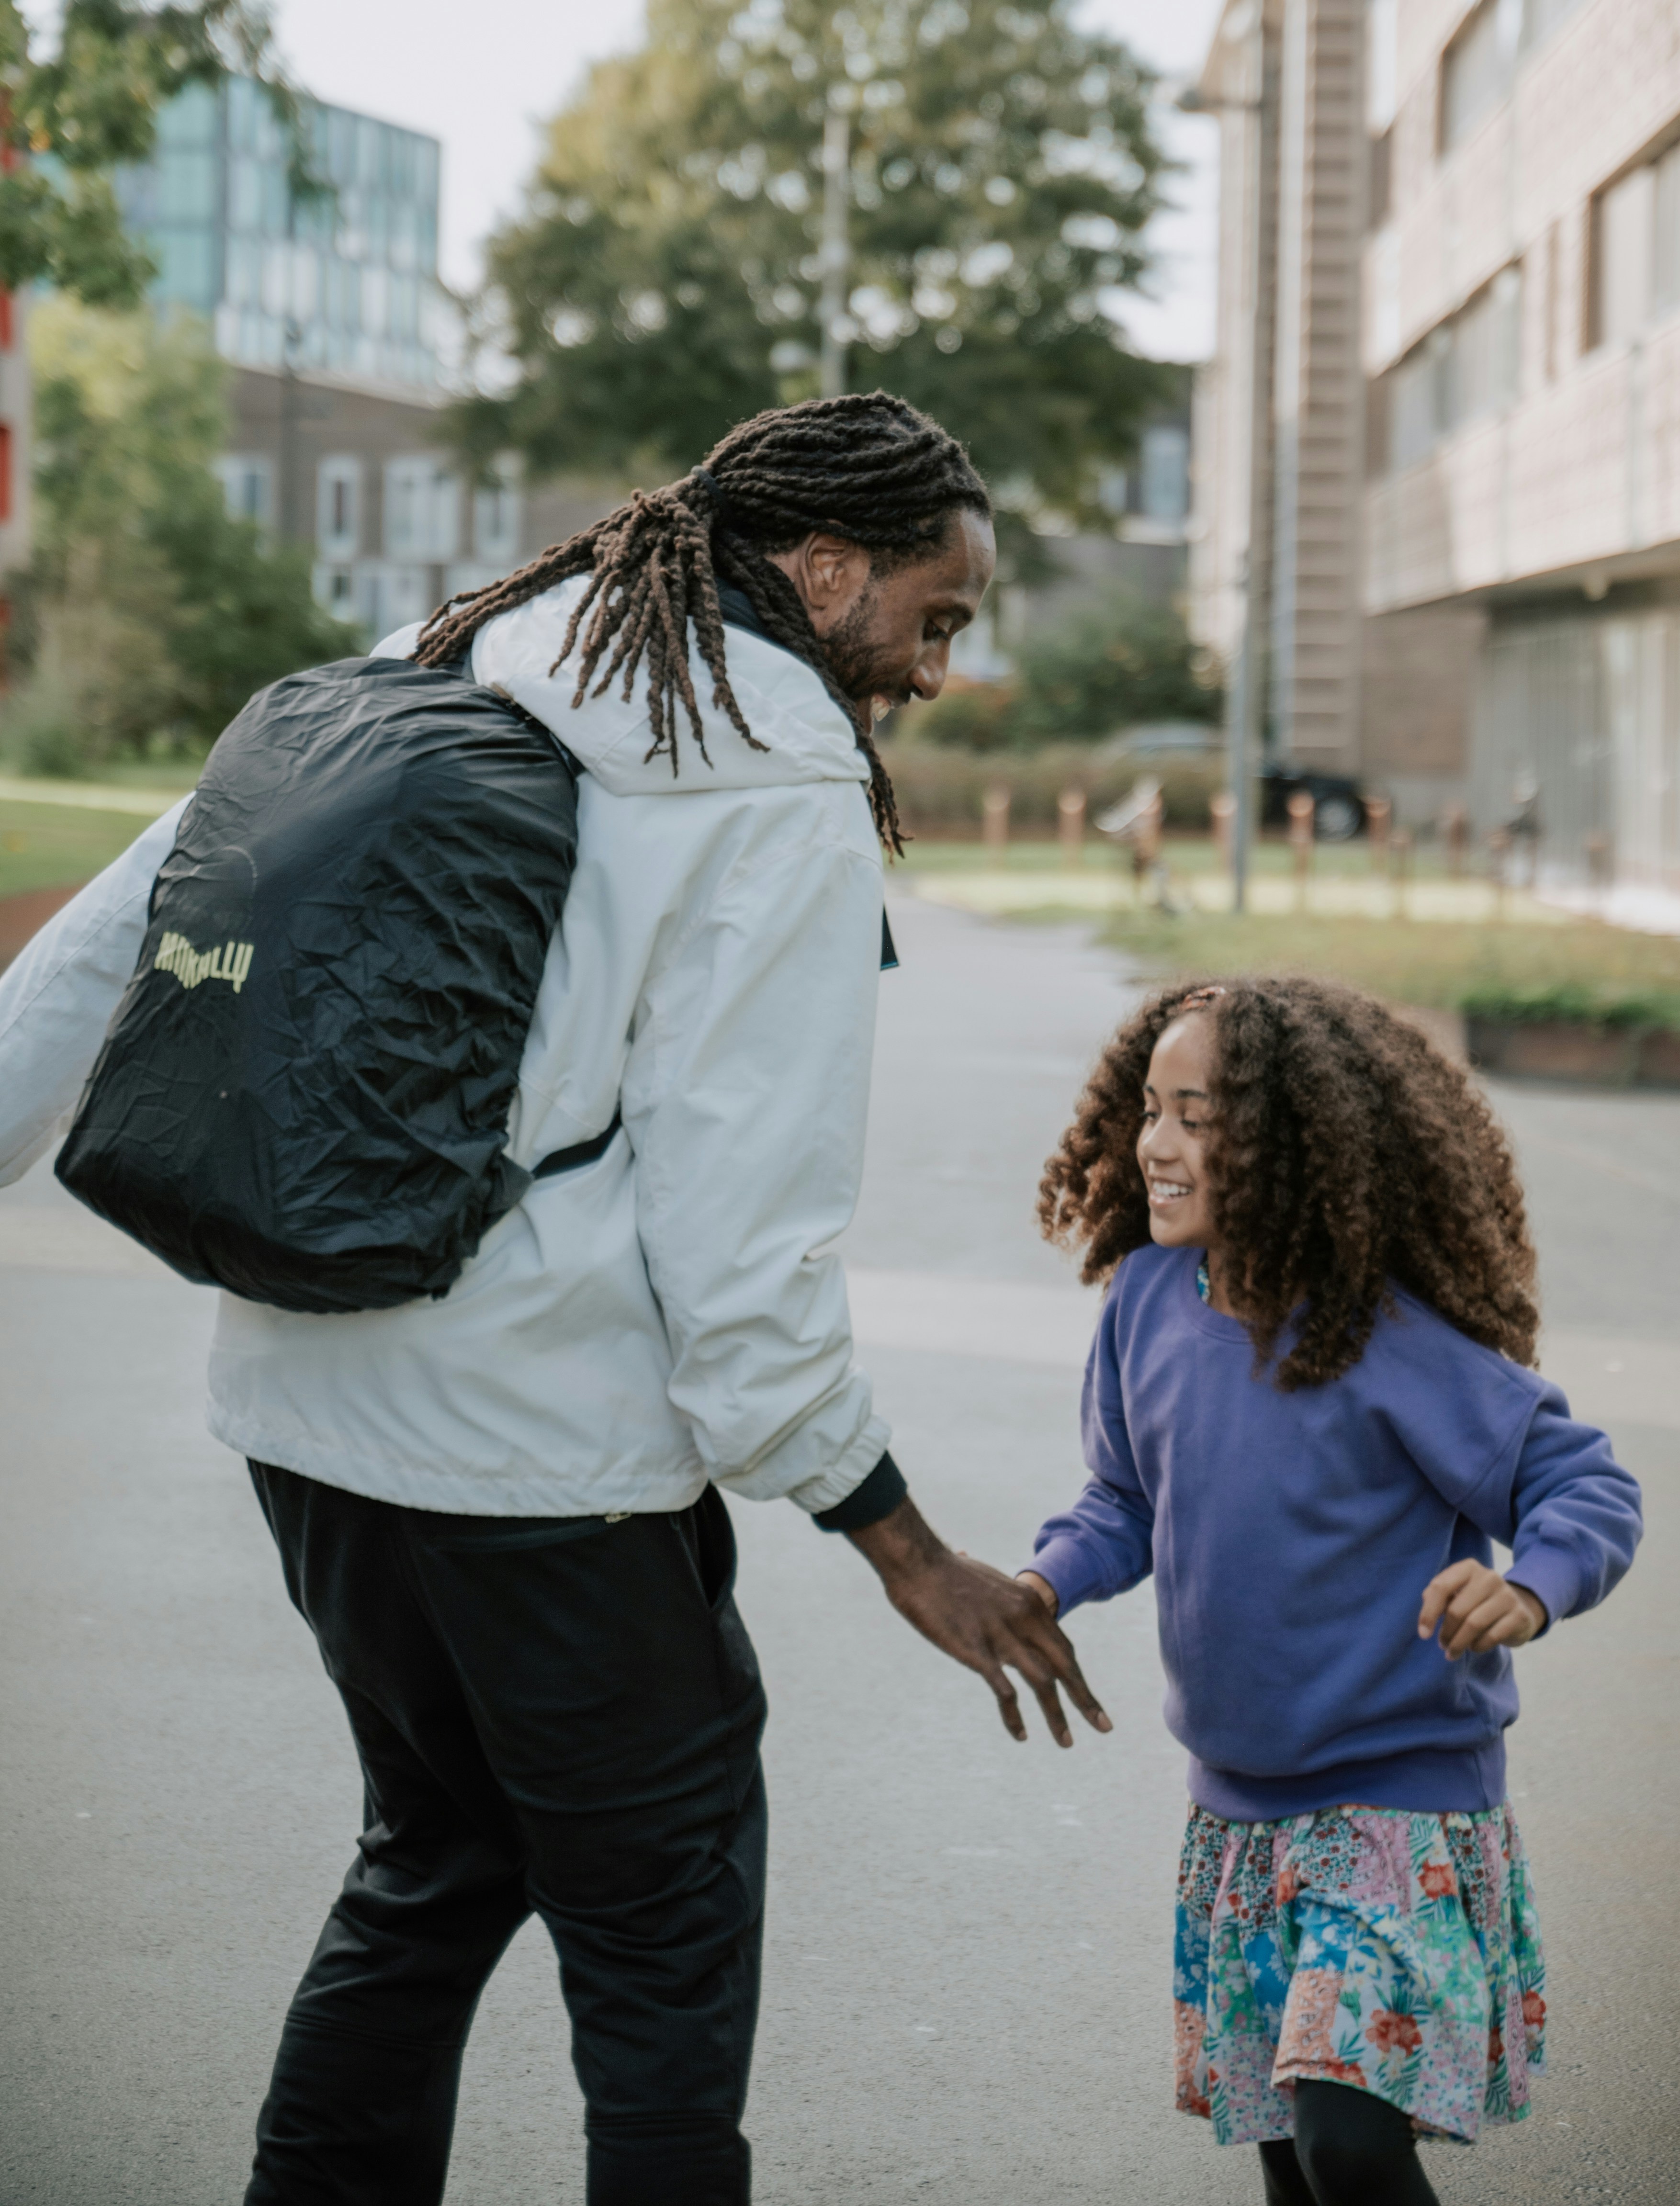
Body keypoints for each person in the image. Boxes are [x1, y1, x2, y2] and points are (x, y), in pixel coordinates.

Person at [0, 390, 1107, 2206]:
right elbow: (744, 1273)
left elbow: (117, 932)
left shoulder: (445, 647)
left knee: (431, 1858)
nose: (929, 668)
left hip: (303, 1405)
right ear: (823, 570)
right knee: (664, 1941)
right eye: (934, 614)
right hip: (545, 1471)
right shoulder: (778, 791)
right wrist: (901, 1540)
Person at [1019, 974, 1642, 2205]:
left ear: (1294, 1146)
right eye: (1150, 1108)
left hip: (1393, 1810)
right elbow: (1123, 1501)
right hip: (1241, 1824)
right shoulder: (1145, 1300)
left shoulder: (1381, 1336)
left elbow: (1583, 1483)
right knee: (1293, 2164)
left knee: (1349, 2147)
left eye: (1198, 1115)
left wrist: (1528, 1588)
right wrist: (1042, 1582)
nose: (1156, 1143)